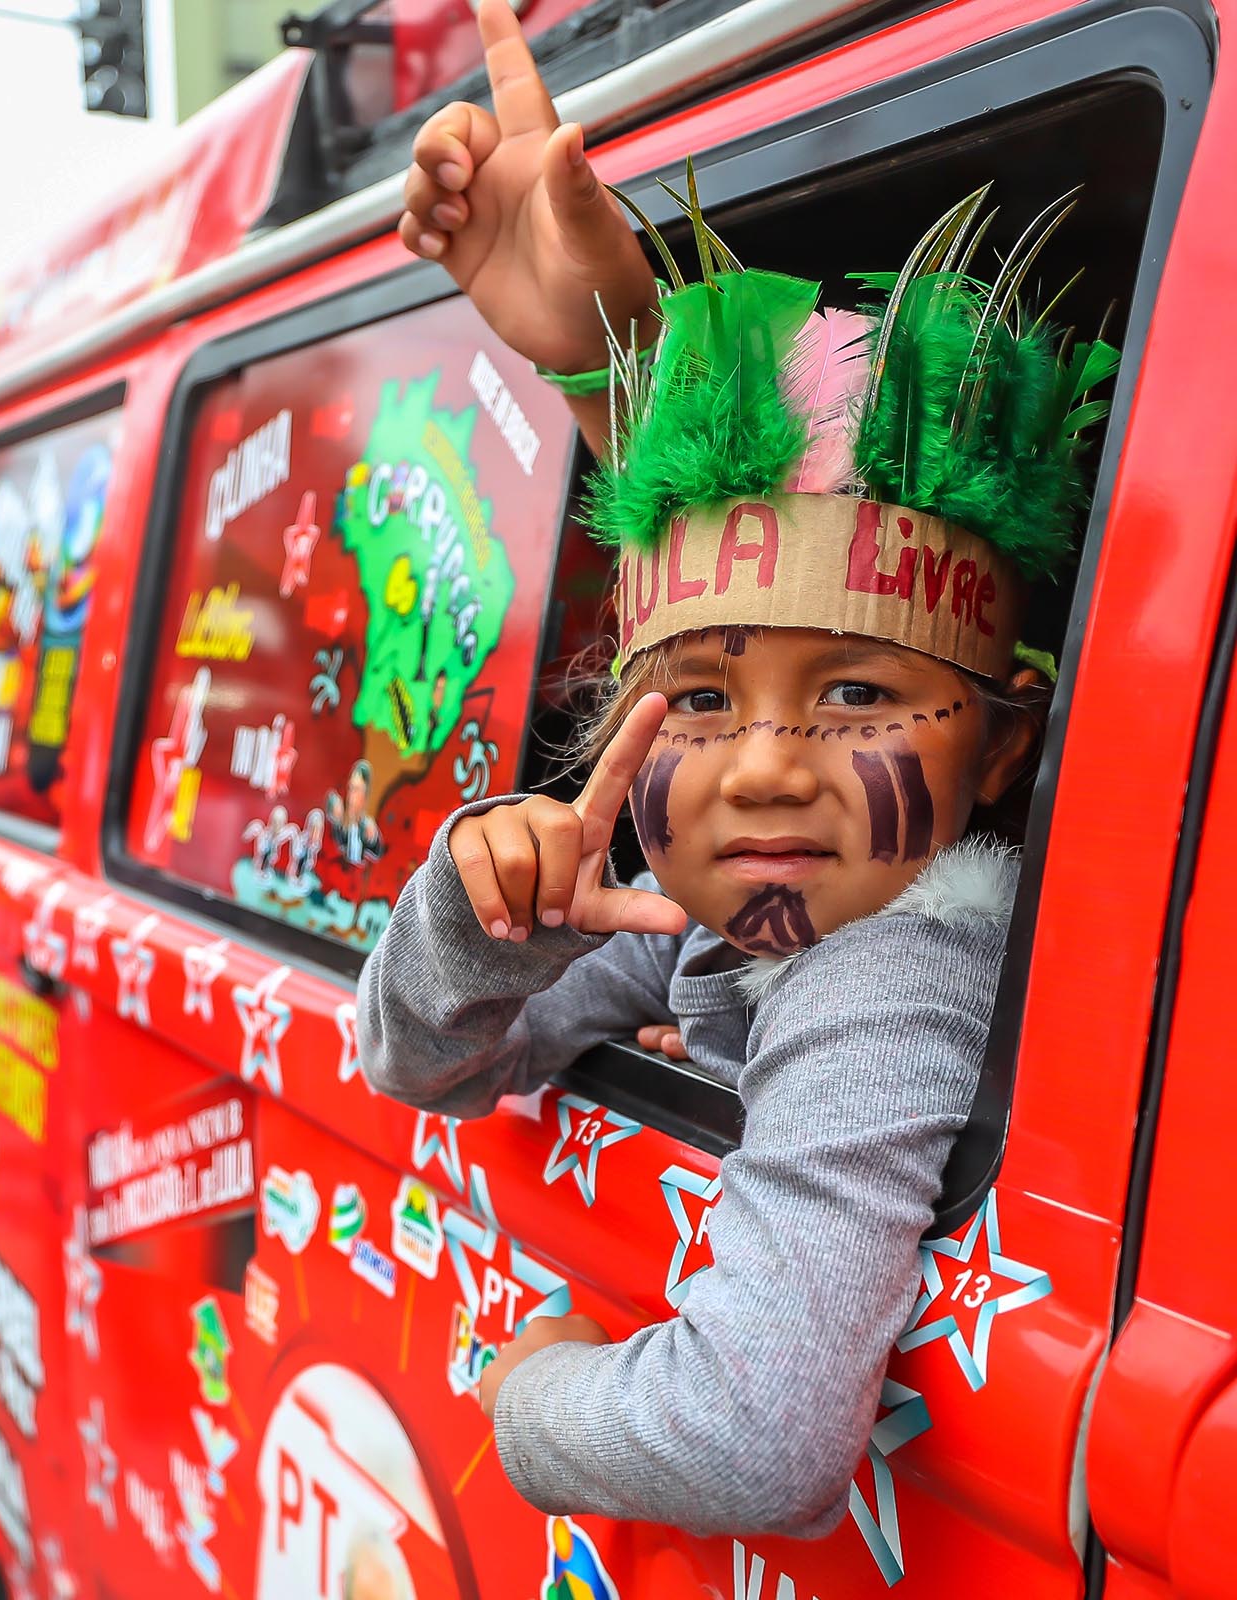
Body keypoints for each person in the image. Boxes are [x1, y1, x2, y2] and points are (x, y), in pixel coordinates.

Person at [358, 0, 1108, 1538]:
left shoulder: (883, 981)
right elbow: (425, 1060)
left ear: (1004, 747)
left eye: (851, 692)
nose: (762, 770)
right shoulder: (765, 918)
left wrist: (528, 1399)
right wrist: (494, 902)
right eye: (696, 700)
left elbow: (751, 1442)